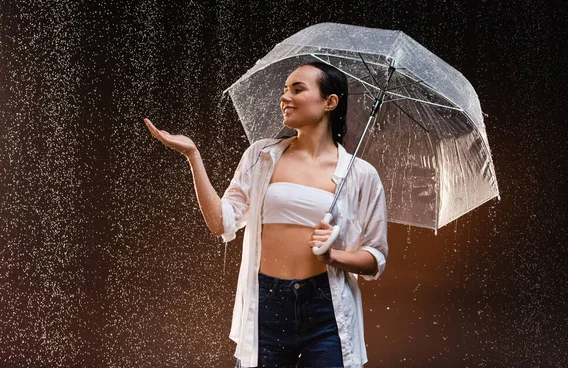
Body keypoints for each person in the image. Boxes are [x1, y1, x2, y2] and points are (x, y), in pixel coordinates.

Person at [144, 62, 388, 368]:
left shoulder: (361, 175)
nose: (285, 97)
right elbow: (222, 222)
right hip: (266, 304)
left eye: (297, 89)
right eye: (284, 89)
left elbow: (375, 256)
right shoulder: (261, 155)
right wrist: (193, 156)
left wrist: (333, 257)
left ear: (330, 102)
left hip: (326, 308)